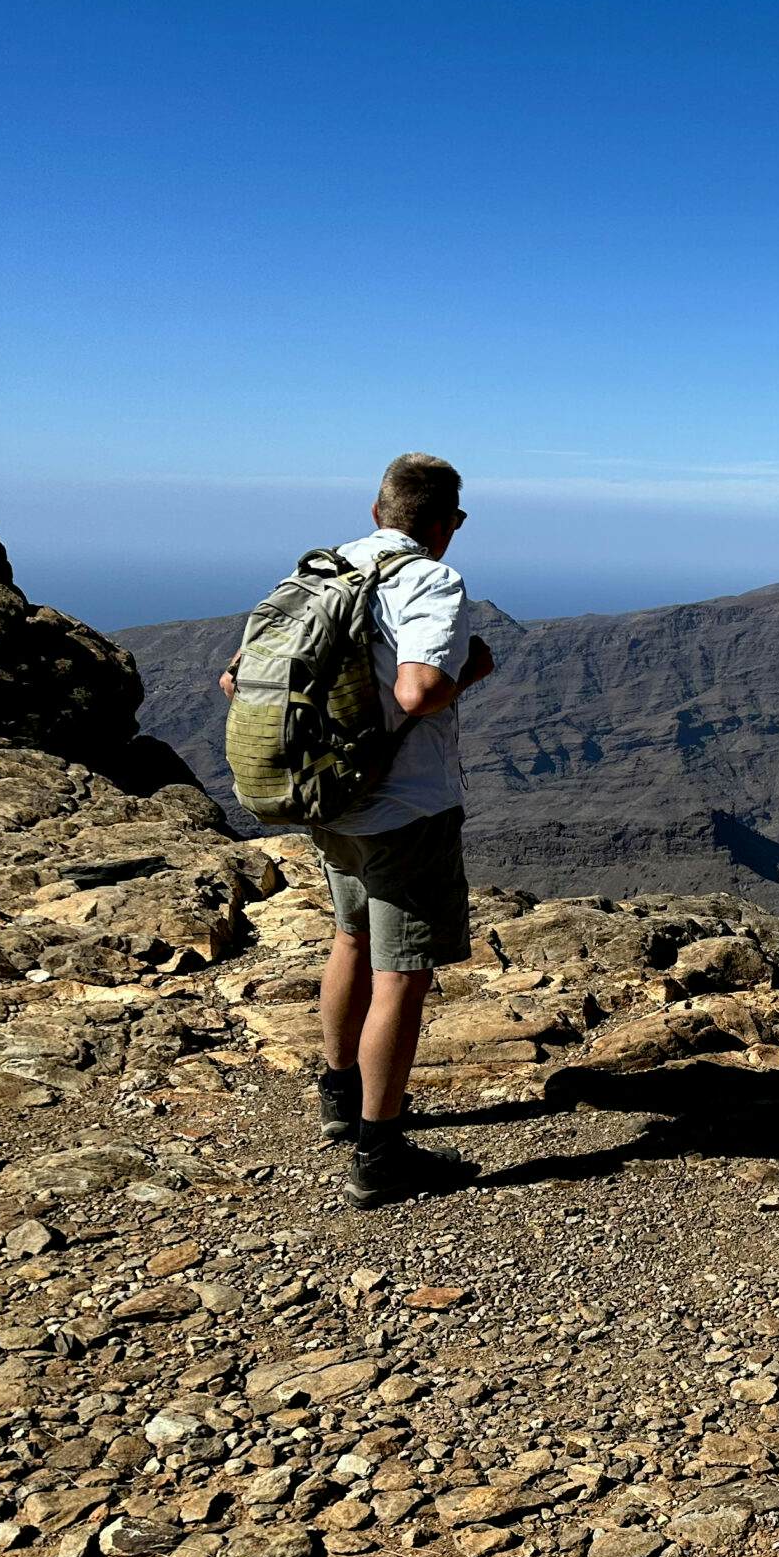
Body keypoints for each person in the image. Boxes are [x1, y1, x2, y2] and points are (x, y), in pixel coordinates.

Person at [222, 452, 494, 1205]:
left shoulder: (320, 571)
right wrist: (470, 672)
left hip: (326, 797)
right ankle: (381, 1152)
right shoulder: (430, 579)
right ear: (449, 525)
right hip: (404, 808)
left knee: (350, 939)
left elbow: (237, 676)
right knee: (402, 973)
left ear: (377, 512)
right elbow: (421, 688)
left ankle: (340, 1098)